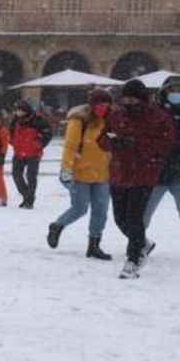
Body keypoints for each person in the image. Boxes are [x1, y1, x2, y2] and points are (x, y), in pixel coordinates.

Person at [100, 79, 175, 279]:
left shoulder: (158, 117)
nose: (128, 101)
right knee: (120, 218)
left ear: (142, 98)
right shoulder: (116, 116)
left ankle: (133, 259)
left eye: (133, 98)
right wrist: (111, 142)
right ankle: (143, 243)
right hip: (119, 173)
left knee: (135, 218)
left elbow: (165, 144)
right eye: (126, 97)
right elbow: (102, 139)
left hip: (144, 174)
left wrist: (135, 144)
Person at [49, 88, 113, 260]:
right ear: (92, 105)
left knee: (101, 211)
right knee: (80, 208)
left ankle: (94, 244)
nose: (103, 107)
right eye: (100, 104)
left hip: (103, 173)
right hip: (80, 172)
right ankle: (57, 226)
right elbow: (70, 146)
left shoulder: (110, 121)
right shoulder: (79, 120)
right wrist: (66, 169)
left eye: (106, 104)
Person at [142, 75, 180, 229]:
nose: (176, 92)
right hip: (158, 171)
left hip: (178, 171)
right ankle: (138, 244)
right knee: (145, 212)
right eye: (172, 89)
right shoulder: (155, 112)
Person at [8, 100, 53, 209]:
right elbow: (11, 132)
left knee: (31, 177)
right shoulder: (15, 120)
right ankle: (27, 196)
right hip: (18, 152)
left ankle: (29, 199)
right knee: (16, 175)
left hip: (33, 153)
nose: (17, 113)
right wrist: (13, 142)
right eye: (16, 110)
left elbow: (48, 133)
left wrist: (39, 144)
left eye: (19, 110)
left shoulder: (38, 120)